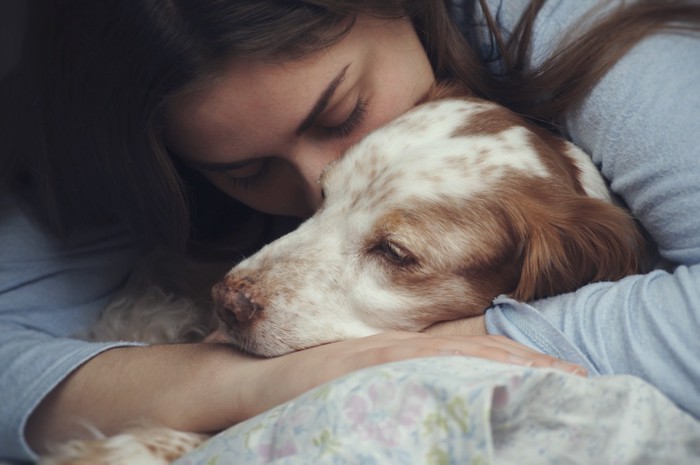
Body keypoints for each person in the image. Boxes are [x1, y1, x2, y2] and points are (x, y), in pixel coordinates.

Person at [1, 0, 698, 462]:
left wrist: (455, 346)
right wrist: (238, 384)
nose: (310, 191)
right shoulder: (131, 150)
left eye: (340, 116)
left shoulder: (567, 25)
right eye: (245, 170)